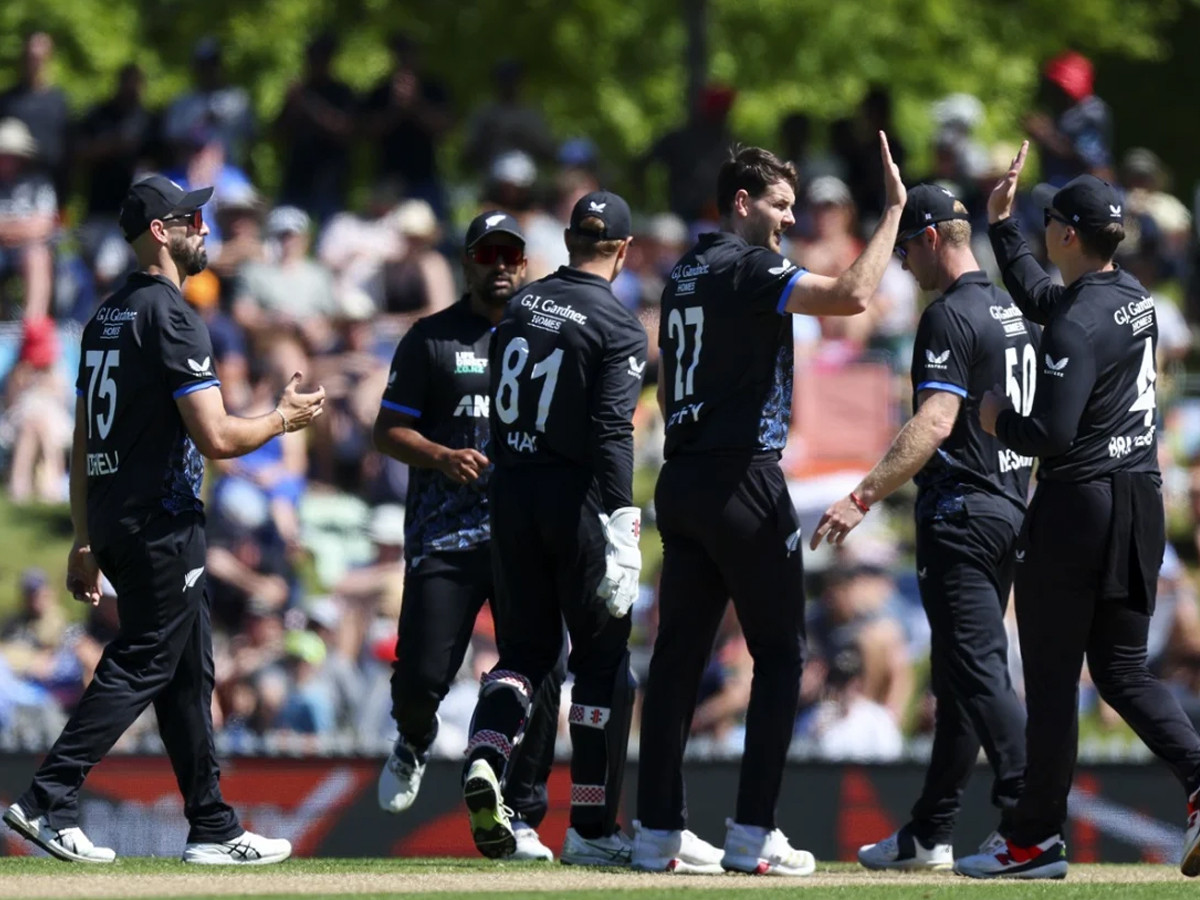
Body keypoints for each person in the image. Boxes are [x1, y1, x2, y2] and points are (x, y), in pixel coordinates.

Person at [2, 174, 325, 865]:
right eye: (192, 220)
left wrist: (85, 538)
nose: (204, 230)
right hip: (162, 521)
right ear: (160, 231)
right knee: (150, 656)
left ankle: (212, 826)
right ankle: (47, 798)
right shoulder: (172, 315)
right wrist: (282, 419)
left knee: (187, 674)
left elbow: (85, 437)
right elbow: (218, 437)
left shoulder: (106, 316)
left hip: (118, 517)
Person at [632, 135, 905, 877]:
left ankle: (657, 831)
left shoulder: (686, 270)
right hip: (742, 479)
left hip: (682, 478)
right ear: (743, 203)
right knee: (782, 655)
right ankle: (754, 832)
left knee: (678, 659)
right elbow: (851, 297)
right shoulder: (748, 266)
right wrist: (891, 215)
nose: (789, 219)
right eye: (780, 205)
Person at [954, 144, 1200, 879]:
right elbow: (1048, 300)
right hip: (1141, 499)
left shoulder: (1075, 322)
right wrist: (1001, 226)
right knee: (1122, 670)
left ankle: (1032, 840)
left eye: (1045, 224)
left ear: (1066, 234)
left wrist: (998, 420)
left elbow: (1052, 432)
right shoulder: (1133, 298)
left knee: (1055, 680)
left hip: (1077, 507)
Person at [810, 183, 1034, 870]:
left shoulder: (948, 315)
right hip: (1009, 506)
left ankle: (1031, 821)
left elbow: (935, 422)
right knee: (958, 676)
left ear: (932, 238)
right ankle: (930, 831)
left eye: (907, 249)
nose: (904, 264)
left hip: (963, 512)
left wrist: (863, 496)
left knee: (976, 666)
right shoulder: (1011, 309)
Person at [460, 191, 646, 866]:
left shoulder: (520, 306)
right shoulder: (618, 325)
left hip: (511, 495)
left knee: (525, 655)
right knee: (602, 664)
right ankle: (591, 826)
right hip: (576, 504)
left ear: (568, 242)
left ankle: (488, 758)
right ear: (623, 251)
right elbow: (611, 430)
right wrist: (623, 520)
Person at [373, 211, 562, 862]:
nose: (500, 266)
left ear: (526, 263)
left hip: (521, 535)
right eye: (488, 255)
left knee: (540, 668)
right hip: (444, 534)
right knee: (421, 675)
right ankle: (413, 738)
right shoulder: (431, 338)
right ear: (467, 262)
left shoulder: (546, 336)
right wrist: (440, 455)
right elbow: (386, 431)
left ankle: (524, 813)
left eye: (511, 255)